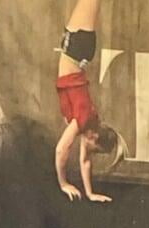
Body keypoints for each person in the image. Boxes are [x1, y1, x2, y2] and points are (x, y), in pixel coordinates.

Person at [54, 0, 122, 203]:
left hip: (77, 50)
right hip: (77, 49)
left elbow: (85, 162)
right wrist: (63, 183)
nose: (87, 149)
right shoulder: (83, 120)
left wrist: (90, 193)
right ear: (94, 137)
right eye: (93, 148)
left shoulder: (89, 125)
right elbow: (61, 150)